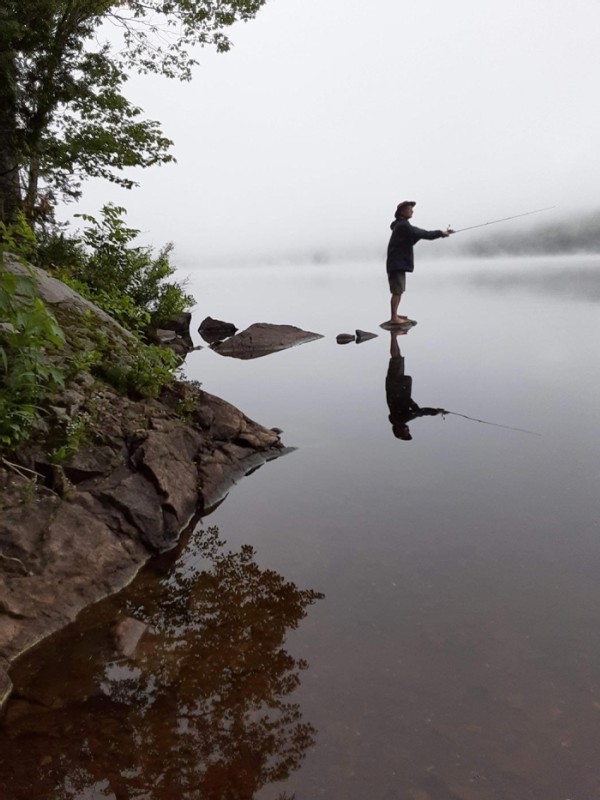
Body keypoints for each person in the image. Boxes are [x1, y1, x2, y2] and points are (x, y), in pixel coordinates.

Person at [386, 200, 452, 325]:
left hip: (396, 263)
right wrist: (439, 233)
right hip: (396, 264)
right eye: (409, 208)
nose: (412, 210)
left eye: (412, 208)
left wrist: (438, 234)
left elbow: (413, 238)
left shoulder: (401, 227)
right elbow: (422, 233)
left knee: (399, 290)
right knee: (397, 291)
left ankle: (395, 314)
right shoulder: (403, 225)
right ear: (401, 211)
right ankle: (394, 317)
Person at [386, 330, 445, 440]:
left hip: (398, 387)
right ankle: (394, 336)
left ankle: (393, 335)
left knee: (396, 358)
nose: (408, 430)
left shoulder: (401, 420)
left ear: (398, 431)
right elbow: (412, 406)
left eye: (406, 432)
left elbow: (418, 412)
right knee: (396, 358)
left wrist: (435, 412)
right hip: (392, 385)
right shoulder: (395, 418)